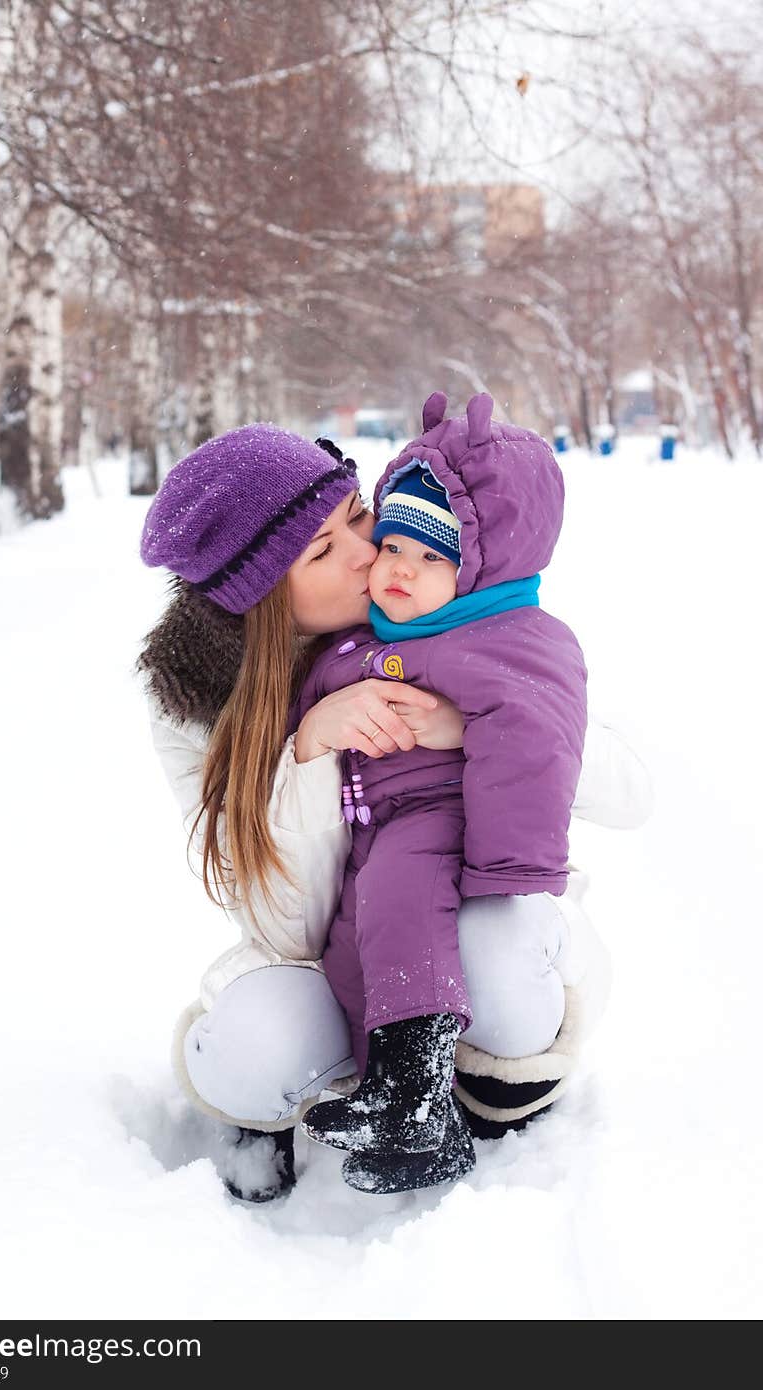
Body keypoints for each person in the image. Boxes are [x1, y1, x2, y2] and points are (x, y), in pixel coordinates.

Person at [137, 419, 652, 1202]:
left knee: (501, 956)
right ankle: (293, 1105)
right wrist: (308, 751)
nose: (365, 551)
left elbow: (629, 792)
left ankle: (493, 1084)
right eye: (321, 551)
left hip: (473, 914)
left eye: (354, 512)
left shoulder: (450, 594)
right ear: (264, 600)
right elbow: (280, 923)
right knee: (253, 1047)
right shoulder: (198, 710)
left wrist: (477, 726)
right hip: (326, 958)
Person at [295, 392, 587, 1194]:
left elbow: (538, 740)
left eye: (431, 558)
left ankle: (415, 1093)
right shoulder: (368, 638)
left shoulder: (512, 640)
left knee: (399, 901)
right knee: (355, 950)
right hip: (375, 828)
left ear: (483, 567)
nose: (397, 568)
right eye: (391, 543)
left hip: (442, 820)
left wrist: (503, 870)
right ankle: (391, 1092)